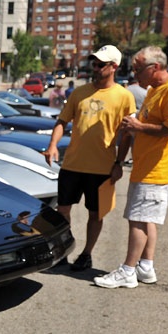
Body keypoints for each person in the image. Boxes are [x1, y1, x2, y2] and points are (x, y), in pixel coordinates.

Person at [94, 45, 168, 289]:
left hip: (157, 170)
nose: (134, 73)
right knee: (147, 220)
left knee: (137, 219)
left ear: (155, 67)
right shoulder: (155, 89)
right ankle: (145, 267)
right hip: (148, 167)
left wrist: (138, 127)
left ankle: (128, 271)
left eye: (138, 69)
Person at [44, 45, 136, 272]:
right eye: (93, 63)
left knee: (95, 214)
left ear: (114, 67)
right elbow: (62, 121)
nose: (95, 67)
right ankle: (63, 250)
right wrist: (52, 145)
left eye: (100, 64)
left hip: (102, 168)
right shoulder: (79, 92)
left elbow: (126, 134)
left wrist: (119, 163)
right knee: (63, 210)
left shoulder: (124, 97)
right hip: (73, 164)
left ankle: (86, 255)